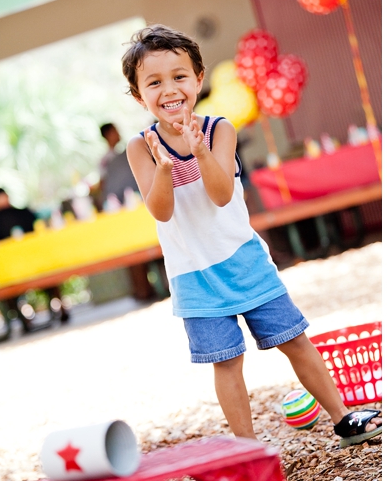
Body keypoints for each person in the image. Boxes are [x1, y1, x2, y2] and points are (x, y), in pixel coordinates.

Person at [121, 24, 380, 447]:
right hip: (193, 275)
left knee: (294, 340)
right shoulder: (140, 146)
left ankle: (342, 417)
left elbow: (222, 194)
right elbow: (161, 211)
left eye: (179, 77)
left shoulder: (219, 129)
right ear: (138, 95)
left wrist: (198, 150)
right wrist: (164, 168)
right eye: (154, 82)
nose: (169, 89)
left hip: (244, 259)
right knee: (226, 362)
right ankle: (248, 450)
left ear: (198, 80)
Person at [0, 189, 69, 331]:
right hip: (21, 264)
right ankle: (51, 311)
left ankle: (31, 318)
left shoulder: (0, 218)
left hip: (18, 265)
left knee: (49, 274)